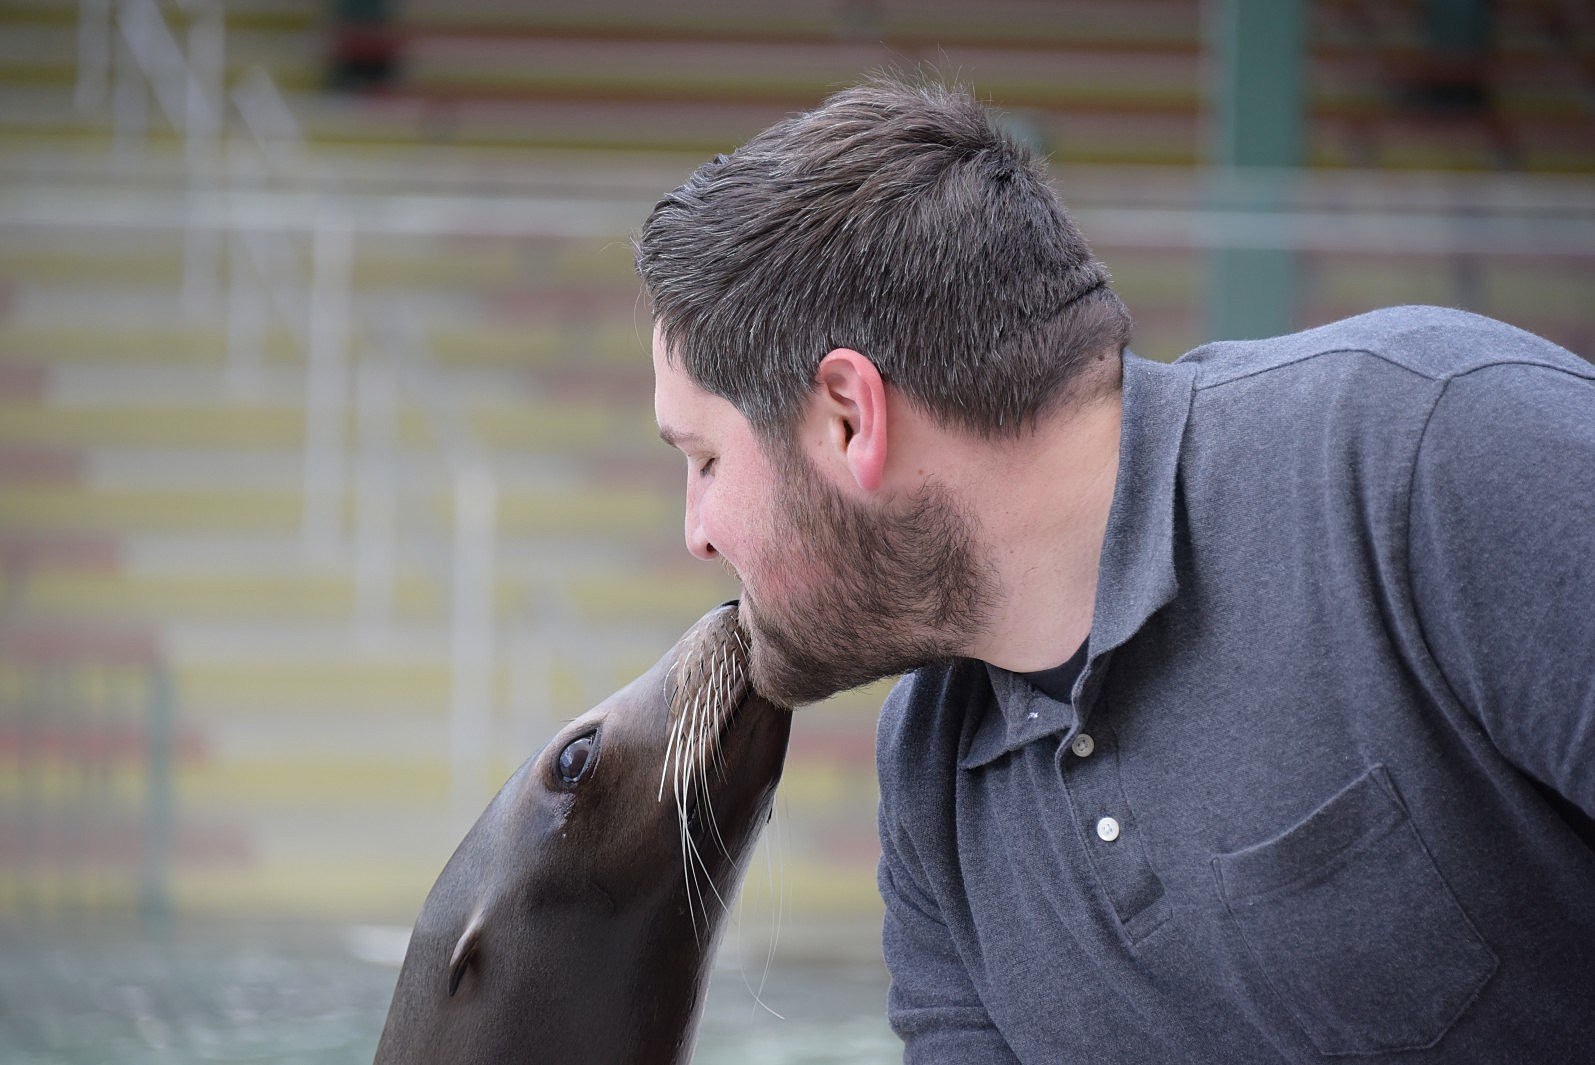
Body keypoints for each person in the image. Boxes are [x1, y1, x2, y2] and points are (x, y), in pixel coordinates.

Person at [635, 77, 1595, 1063]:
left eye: (704, 460)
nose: (696, 532)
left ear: (849, 416)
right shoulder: (928, 783)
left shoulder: (1428, 451)